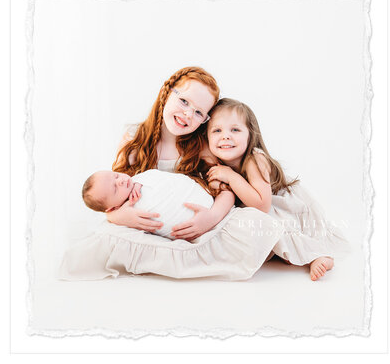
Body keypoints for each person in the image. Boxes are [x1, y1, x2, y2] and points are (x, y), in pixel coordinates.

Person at [205, 98, 350, 281]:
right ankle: (289, 252)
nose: (225, 136)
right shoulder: (218, 161)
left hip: (284, 205)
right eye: (217, 130)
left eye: (235, 130)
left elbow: (262, 205)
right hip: (265, 207)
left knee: (274, 225)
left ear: (250, 135)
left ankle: (319, 255)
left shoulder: (254, 160)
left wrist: (231, 177)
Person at [108, 66, 235, 241]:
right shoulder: (134, 138)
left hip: (185, 227)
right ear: (166, 92)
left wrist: (211, 218)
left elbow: (226, 191)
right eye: (184, 101)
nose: (188, 114)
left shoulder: (201, 147)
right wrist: (114, 216)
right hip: (150, 226)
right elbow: (112, 188)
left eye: (199, 113)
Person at [81, 169, 215, 240]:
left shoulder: (143, 177)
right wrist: (115, 216)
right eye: (115, 189)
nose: (121, 181)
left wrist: (139, 182)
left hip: (211, 204)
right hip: (199, 224)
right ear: (112, 208)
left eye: (116, 176)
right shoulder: (128, 215)